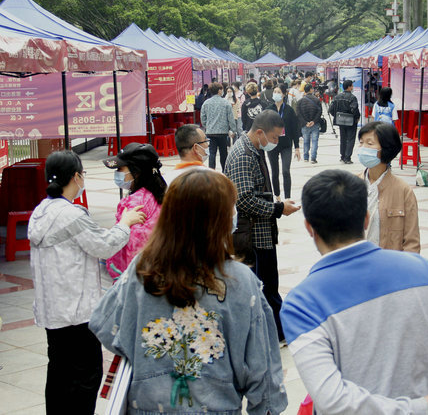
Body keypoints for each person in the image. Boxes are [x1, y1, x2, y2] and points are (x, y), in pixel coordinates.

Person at [280, 170, 428, 414]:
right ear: (367, 219)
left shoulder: (302, 303)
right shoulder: (421, 270)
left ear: (309, 227)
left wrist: (418, 406)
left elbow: (332, 400)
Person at [89, 169, 288, 414]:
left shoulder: (142, 268)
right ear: (220, 219)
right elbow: (262, 366)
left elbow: (104, 324)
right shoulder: (240, 281)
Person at [28, 150, 146, 414]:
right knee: (85, 378)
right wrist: (125, 224)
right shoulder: (70, 215)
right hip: (77, 313)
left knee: (58, 374)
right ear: (76, 176)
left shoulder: (40, 211)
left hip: (52, 313)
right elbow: (103, 246)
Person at [224, 110, 300, 343]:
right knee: (262, 289)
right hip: (252, 236)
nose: (276, 143)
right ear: (260, 132)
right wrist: (278, 209)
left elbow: (256, 192)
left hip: (263, 232)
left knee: (269, 286)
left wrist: (277, 203)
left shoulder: (253, 149)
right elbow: (243, 199)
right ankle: (271, 334)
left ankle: (277, 332)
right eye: (275, 138)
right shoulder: (242, 155)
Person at [103, 143, 166, 279]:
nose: (117, 173)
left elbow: (132, 247)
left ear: (136, 172)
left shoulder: (133, 203)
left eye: (120, 168)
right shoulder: (160, 194)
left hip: (136, 279)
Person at [357, 121, 420, 252]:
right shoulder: (351, 184)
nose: (363, 148)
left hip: (389, 267)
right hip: (356, 265)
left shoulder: (403, 190)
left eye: (369, 143)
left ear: (385, 149)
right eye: (361, 142)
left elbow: (411, 241)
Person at [265, 84, 301, 200]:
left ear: (284, 94)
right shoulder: (269, 109)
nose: (276, 93)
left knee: (286, 171)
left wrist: (297, 147)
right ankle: (277, 195)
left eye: (279, 92)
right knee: (275, 172)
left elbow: (295, 129)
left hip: (286, 144)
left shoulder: (289, 110)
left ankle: (288, 197)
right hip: (272, 145)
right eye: (275, 91)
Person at [200, 82, 236, 171]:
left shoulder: (206, 103)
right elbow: (230, 118)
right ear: (219, 91)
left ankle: (211, 171)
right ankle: (225, 171)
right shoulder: (226, 103)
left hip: (210, 132)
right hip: (223, 133)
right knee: (223, 153)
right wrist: (233, 130)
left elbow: (203, 118)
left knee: (212, 153)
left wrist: (207, 126)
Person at [329, 79, 361, 164]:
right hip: (351, 121)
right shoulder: (352, 97)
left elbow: (331, 109)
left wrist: (336, 115)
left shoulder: (337, 97)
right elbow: (354, 109)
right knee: (350, 139)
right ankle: (347, 157)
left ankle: (342, 156)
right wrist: (357, 117)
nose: (352, 87)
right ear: (349, 87)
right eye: (352, 86)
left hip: (340, 121)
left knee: (343, 139)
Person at [296, 84, 322, 164]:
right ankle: (313, 158)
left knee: (306, 141)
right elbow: (320, 112)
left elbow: (298, 114)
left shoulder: (300, 101)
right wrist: (314, 121)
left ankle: (306, 157)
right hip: (315, 124)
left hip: (305, 125)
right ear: (311, 89)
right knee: (315, 141)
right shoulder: (317, 100)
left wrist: (305, 122)